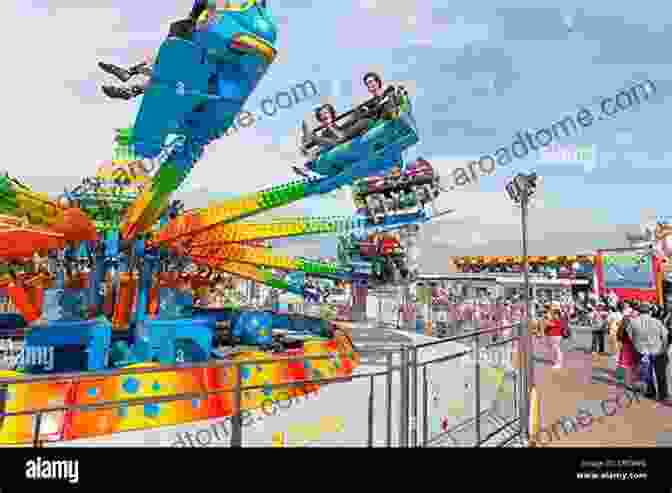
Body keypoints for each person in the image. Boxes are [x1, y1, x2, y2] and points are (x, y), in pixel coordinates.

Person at [99, 1, 213, 100]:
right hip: (187, 51)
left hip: (201, 57)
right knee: (165, 62)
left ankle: (131, 83)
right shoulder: (185, 26)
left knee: (168, 71)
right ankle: (130, 78)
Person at [294, 103, 375, 177]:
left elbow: (341, 138)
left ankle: (310, 169)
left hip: (347, 147)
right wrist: (307, 149)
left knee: (325, 144)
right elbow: (324, 146)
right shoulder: (325, 133)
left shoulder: (341, 125)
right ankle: (309, 170)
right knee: (317, 151)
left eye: (325, 113)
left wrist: (328, 128)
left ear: (331, 115)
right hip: (336, 154)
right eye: (321, 115)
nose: (323, 116)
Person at [626, 303, 668, 401]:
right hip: (657, 350)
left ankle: (651, 392)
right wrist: (664, 348)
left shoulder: (632, 322)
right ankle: (663, 394)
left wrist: (636, 344)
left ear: (639, 312)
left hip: (641, 351)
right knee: (660, 373)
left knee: (647, 372)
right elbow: (665, 335)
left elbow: (630, 336)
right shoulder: (657, 321)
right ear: (650, 311)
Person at [543, 301, 565, 369]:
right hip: (552, 333)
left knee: (556, 348)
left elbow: (556, 323)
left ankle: (559, 363)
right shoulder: (554, 313)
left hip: (556, 333)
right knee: (553, 348)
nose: (551, 306)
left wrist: (548, 323)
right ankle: (556, 361)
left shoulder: (557, 313)